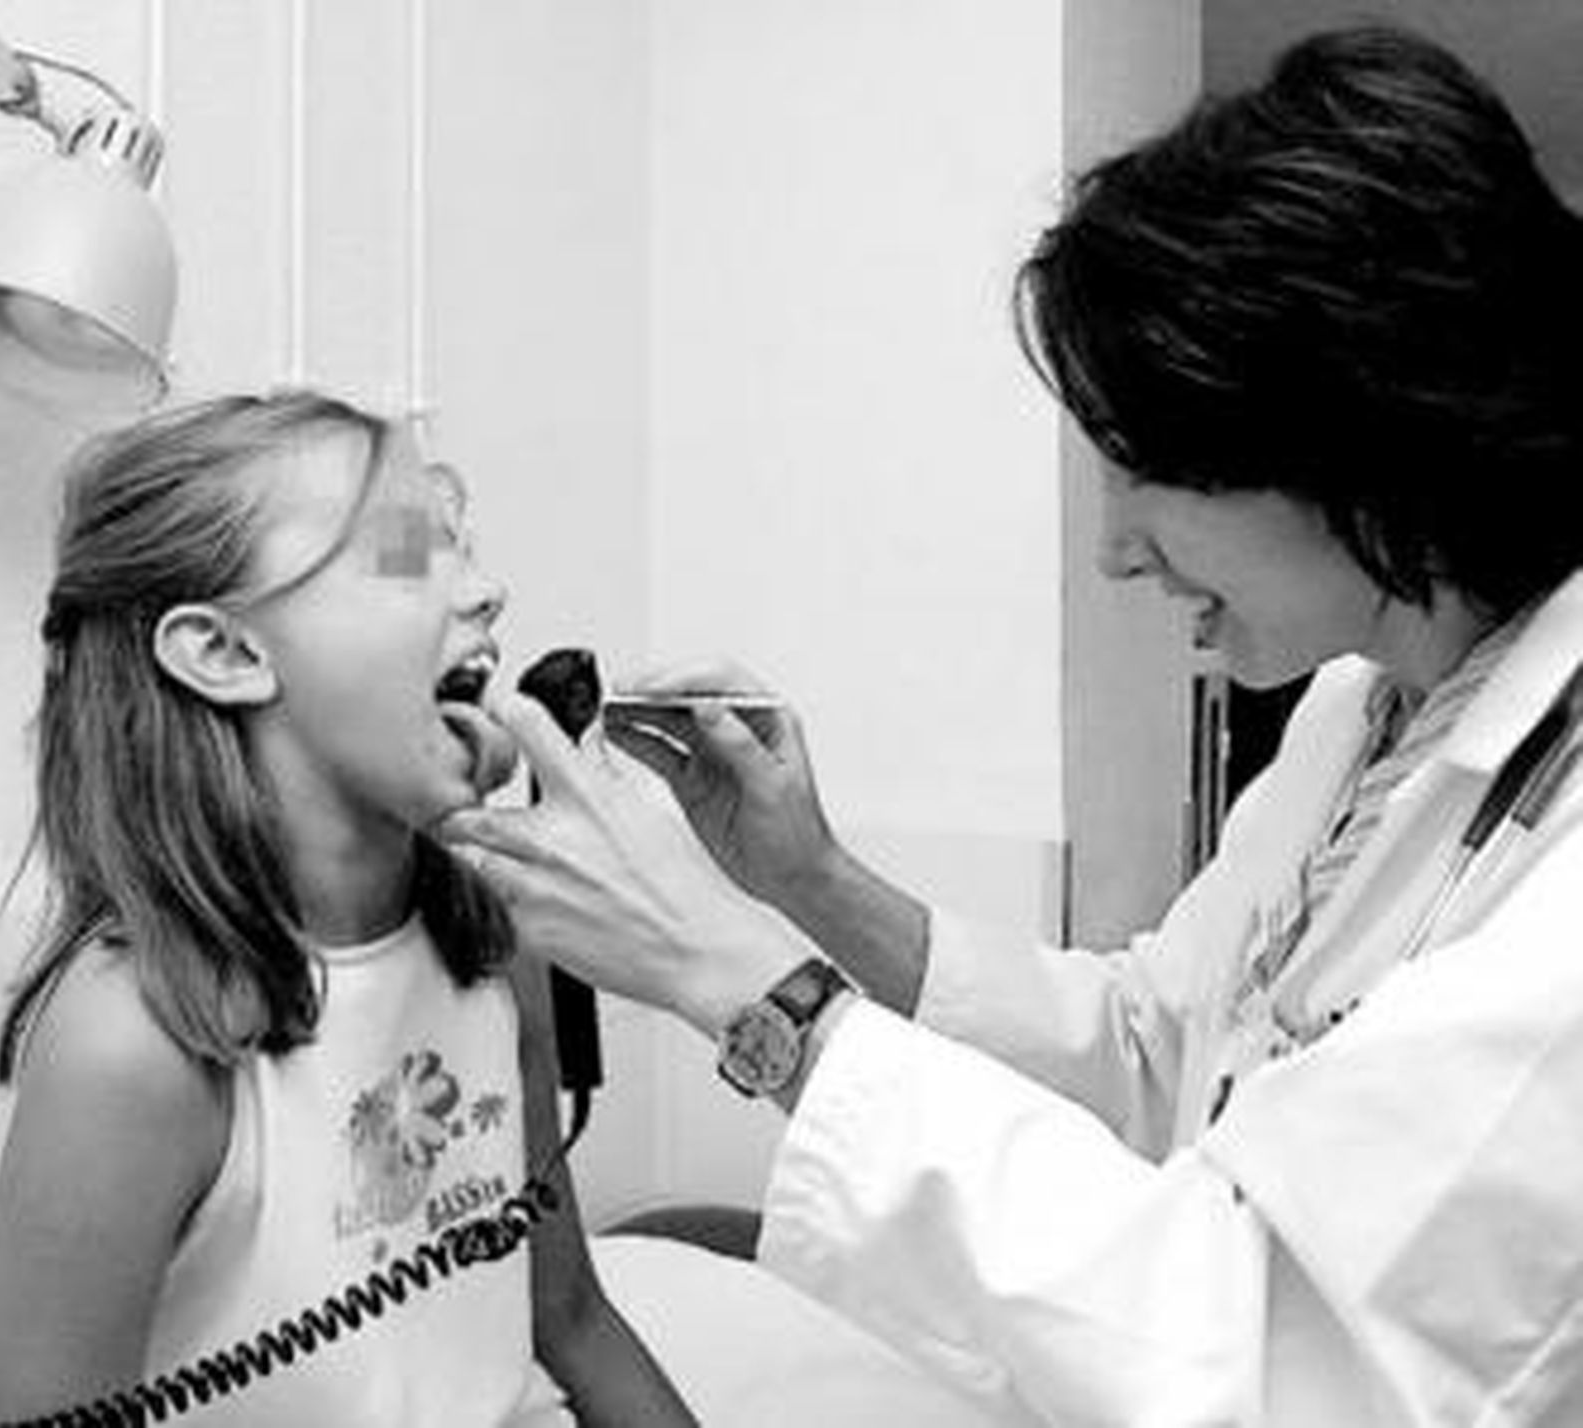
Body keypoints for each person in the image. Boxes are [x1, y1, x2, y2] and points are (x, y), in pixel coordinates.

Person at [440, 26, 1583, 1426]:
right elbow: (1165, 1054)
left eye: (1146, 471)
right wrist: (808, 885)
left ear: (1358, 438)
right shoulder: (1361, 711)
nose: (1115, 552)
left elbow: (1256, 1356)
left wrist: (734, 980)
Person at [0, 390, 695, 1426]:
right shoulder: (135, 1044)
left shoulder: (499, 945)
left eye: (459, 542)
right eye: (403, 553)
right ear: (224, 653)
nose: (488, 591)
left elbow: (570, 1317)